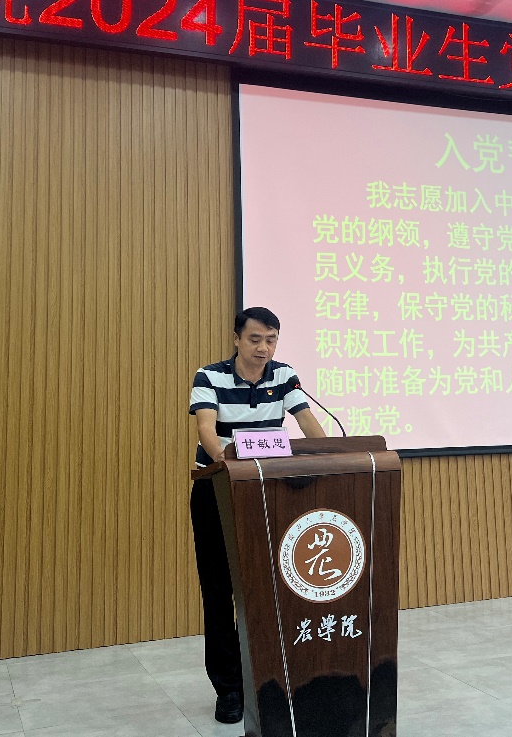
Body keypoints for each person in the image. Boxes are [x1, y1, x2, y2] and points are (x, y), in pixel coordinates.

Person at [188, 306, 327, 724]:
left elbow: (308, 422)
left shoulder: (284, 376)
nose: (263, 348)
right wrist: (227, 464)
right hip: (217, 489)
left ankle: (269, 680)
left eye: (271, 340)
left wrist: (328, 457)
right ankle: (229, 689)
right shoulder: (209, 376)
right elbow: (207, 430)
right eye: (255, 339)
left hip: (269, 492)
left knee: (269, 589)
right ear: (236, 339)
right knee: (219, 591)